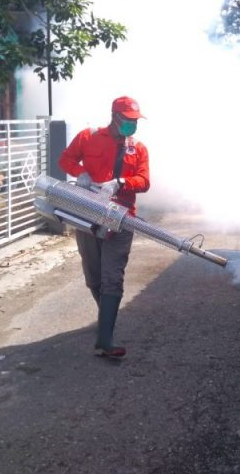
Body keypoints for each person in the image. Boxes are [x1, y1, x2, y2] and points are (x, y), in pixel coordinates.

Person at [58, 96, 150, 358]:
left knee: (113, 276)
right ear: (115, 117)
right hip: (88, 214)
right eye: (129, 120)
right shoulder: (88, 137)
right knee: (94, 275)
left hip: (122, 217)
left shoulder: (138, 149)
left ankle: (105, 339)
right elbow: (65, 160)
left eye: (136, 121)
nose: (133, 125)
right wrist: (80, 173)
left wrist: (120, 182)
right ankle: (104, 318)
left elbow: (144, 180)